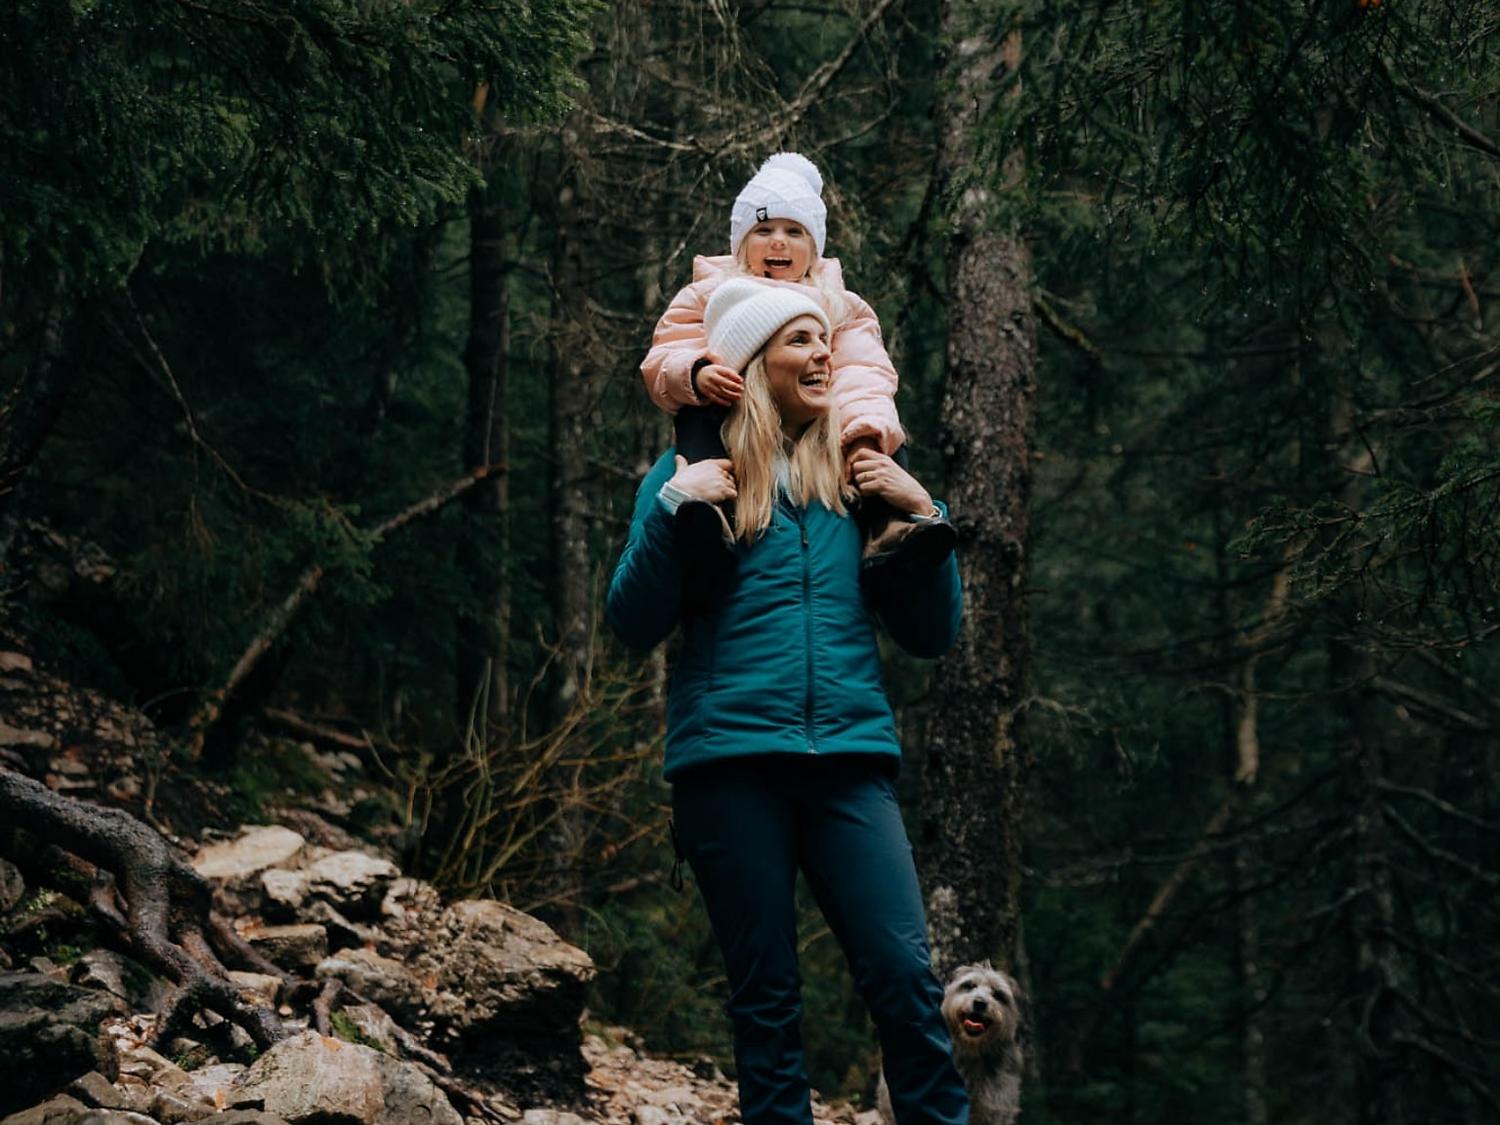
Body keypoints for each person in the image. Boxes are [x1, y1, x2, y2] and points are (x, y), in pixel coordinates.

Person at [608, 278, 970, 1124]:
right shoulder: (693, 473)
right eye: (800, 341)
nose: (822, 355)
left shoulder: (860, 473)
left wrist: (925, 513)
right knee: (766, 1003)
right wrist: (672, 509)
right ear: (753, 362)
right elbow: (631, 618)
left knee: (908, 987)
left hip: (850, 766)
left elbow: (933, 632)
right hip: (729, 767)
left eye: (826, 341)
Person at [640, 151, 955, 583]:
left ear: (815, 247)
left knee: (880, 436)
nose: (778, 242)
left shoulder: (838, 303)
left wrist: (865, 432)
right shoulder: (709, 291)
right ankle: (708, 516)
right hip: (732, 415)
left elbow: (864, 370)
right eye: (763, 230)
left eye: (794, 231)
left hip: (825, 423)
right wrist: (694, 373)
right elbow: (666, 351)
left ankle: (889, 527)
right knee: (698, 418)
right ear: (740, 243)